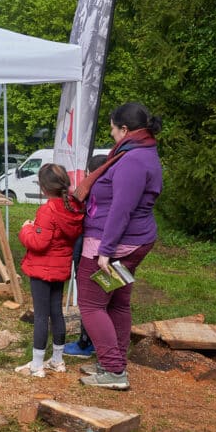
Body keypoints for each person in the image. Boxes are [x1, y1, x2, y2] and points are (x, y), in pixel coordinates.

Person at [76, 102, 163, 390]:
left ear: (124, 129)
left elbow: (121, 209)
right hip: (132, 241)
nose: (112, 135)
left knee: (90, 304)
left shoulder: (132, 161)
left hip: (114, 243)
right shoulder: (144, 152)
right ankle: (111, 361)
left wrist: (105, 251)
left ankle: (113, 371)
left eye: (113, 129)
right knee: (117, 301)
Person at [14, 164, 84, 377]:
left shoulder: (48, 209)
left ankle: (36, 365)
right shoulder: (73, 207)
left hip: (42, 268)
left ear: (44, 187)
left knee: (41, 316)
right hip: (61, 266)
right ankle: (57, 360)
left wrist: (26, 228)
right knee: (57, 312)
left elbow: (39, 243)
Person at [64, 153, 108, 358]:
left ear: (90, 173)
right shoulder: (115, 190)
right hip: (108, 250)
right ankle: (103, 342)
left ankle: (86, 344)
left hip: (90, 250)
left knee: (88, 299)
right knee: (106, 298)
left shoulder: (89, 191)